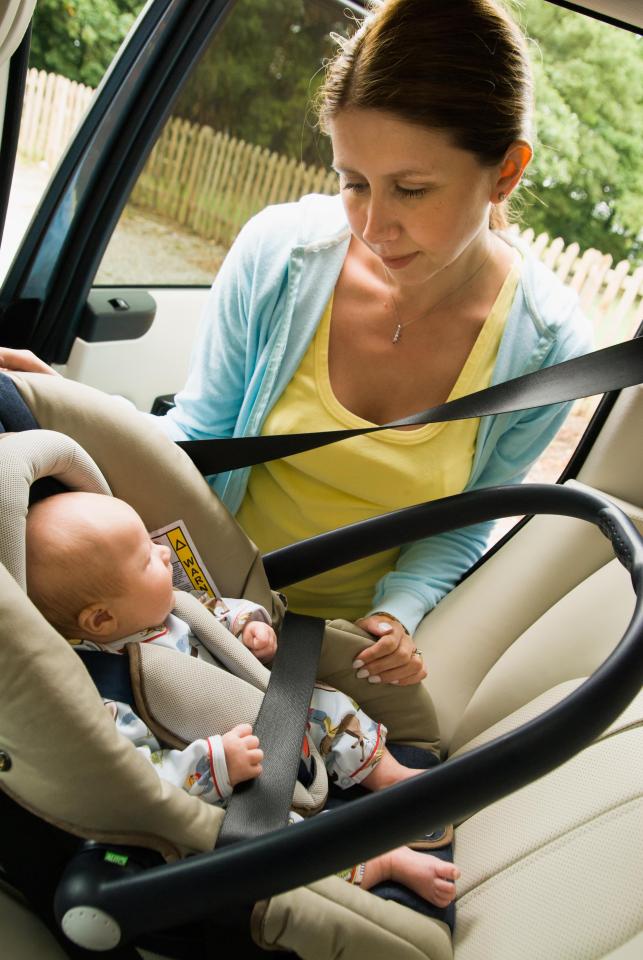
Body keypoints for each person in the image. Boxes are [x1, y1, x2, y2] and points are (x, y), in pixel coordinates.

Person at [2, 0, 591, 688]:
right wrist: (83, 414)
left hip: (342, 651)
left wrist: (396, 617)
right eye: (352, 182)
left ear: (505, 172)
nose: (375, 223)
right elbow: (200, 435)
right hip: (205, 598)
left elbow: (459, 526)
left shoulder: (547, 349)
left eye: (410, 189)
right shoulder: (278, 254)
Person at [25, 489, 460, 908]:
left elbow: (218, 611)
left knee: (324, 703)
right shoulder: (103, 692)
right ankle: (374, 862)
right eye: (146, 559)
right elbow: (137, 777)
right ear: (101, 618)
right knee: (262, 839)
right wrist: (215, 763)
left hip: (274, 714)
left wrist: (249, 626)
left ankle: (388, 773)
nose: (166, 553)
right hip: (232, 779)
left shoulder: (171, 610)